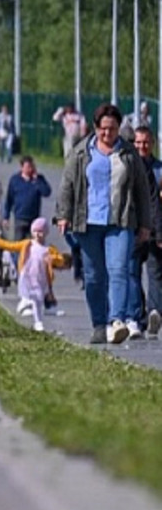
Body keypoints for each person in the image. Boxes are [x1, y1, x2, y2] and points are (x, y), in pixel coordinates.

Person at [54, 103, 160, 345]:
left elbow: (142, 191)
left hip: (120, 222)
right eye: (103, 129)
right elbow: (67, 184)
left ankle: (117, 321)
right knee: (93, 276)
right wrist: (63, 215)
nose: (107, 134)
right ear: (95, 127)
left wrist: (145, 224)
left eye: (112, 129)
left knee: (119, 269)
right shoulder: (81, 152)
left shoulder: (128, 153)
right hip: (88, 222)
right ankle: (99, 324)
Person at [0, 219, 69, 331]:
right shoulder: (27, 244)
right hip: (26, 276)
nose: (38, 234)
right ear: (32, 232)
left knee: (38, 300)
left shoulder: (48, 249)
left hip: (41, 279)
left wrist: (53, 258)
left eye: (41, 231)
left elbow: (60, 260)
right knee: (30, 296)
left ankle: (38, 322)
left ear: (46, 233)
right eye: (35, 231)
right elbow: (9, 246)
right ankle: (25, 304)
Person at [133, 127, 162, 336]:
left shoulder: (159, 169)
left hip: (154, 230)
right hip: (133, 230)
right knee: (132, 273)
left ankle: (154, 313)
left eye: (146, 142)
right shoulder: (130, 167)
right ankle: (139, 315)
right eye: (139, 142)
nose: (142, 146)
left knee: (155, 274)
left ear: (152, 144)